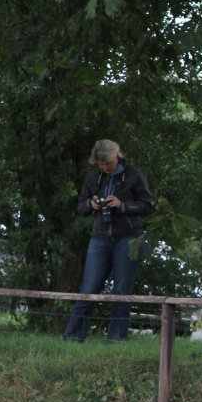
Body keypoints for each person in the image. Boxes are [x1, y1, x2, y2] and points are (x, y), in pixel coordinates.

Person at [63, 139, 154, 342]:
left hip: (129, 237)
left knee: (121, 291)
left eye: (107, 164)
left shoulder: (134, 175)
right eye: (100, 164)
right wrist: (91, 204)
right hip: (100, 237)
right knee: (89, 288)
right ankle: (73, 337)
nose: (104, 167)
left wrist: (122, 205)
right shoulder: (94, 177)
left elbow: (147, 206)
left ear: (117, 156)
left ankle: (116, 338)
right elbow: (80, 206)